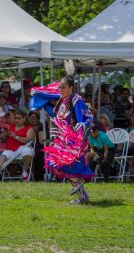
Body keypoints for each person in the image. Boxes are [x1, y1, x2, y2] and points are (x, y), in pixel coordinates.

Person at [30, 62, 93, 204]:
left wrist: (83, 124)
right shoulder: (62, 101)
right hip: (63, 138)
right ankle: (82, 194)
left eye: (63, 87)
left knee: (65, 165)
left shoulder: (76, 100)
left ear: (71, 88)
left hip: (74, 139)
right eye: (60, 87)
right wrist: (40, 99)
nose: (60, 89)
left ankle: (81, 191)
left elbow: (89, 116)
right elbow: (54, 115)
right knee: (58, 164)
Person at [0, 109, 35, 181]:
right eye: (15, 118)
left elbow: (29, 141)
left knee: (27, 150)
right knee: (4, 154)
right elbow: (3, 140)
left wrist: (15, 136)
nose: (16, 120)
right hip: (11, 150)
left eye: (19, 118)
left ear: (24, 118)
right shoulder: (10, 127)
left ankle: (24, 171)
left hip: (22, 149)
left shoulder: (29, 128)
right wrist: (3, 136)